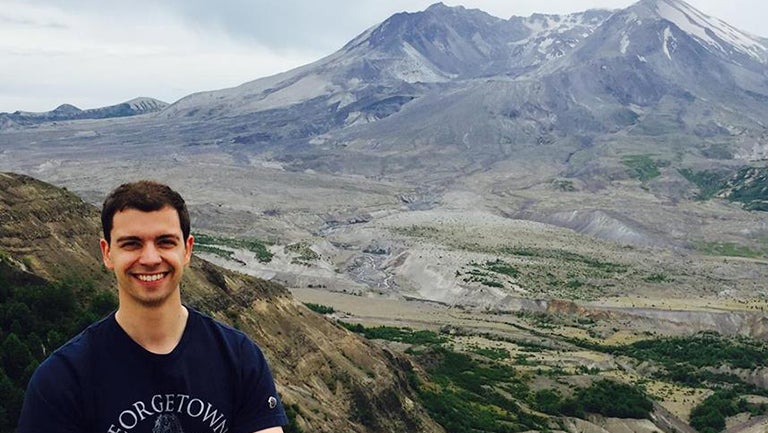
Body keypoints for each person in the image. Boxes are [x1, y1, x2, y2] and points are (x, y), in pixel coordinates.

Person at [18, 180, 287, 433]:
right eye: (132, 243)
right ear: (107, 253)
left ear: (187, 250)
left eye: (165, 242)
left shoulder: (240, 358)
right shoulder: (62, 380)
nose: (149, 258)